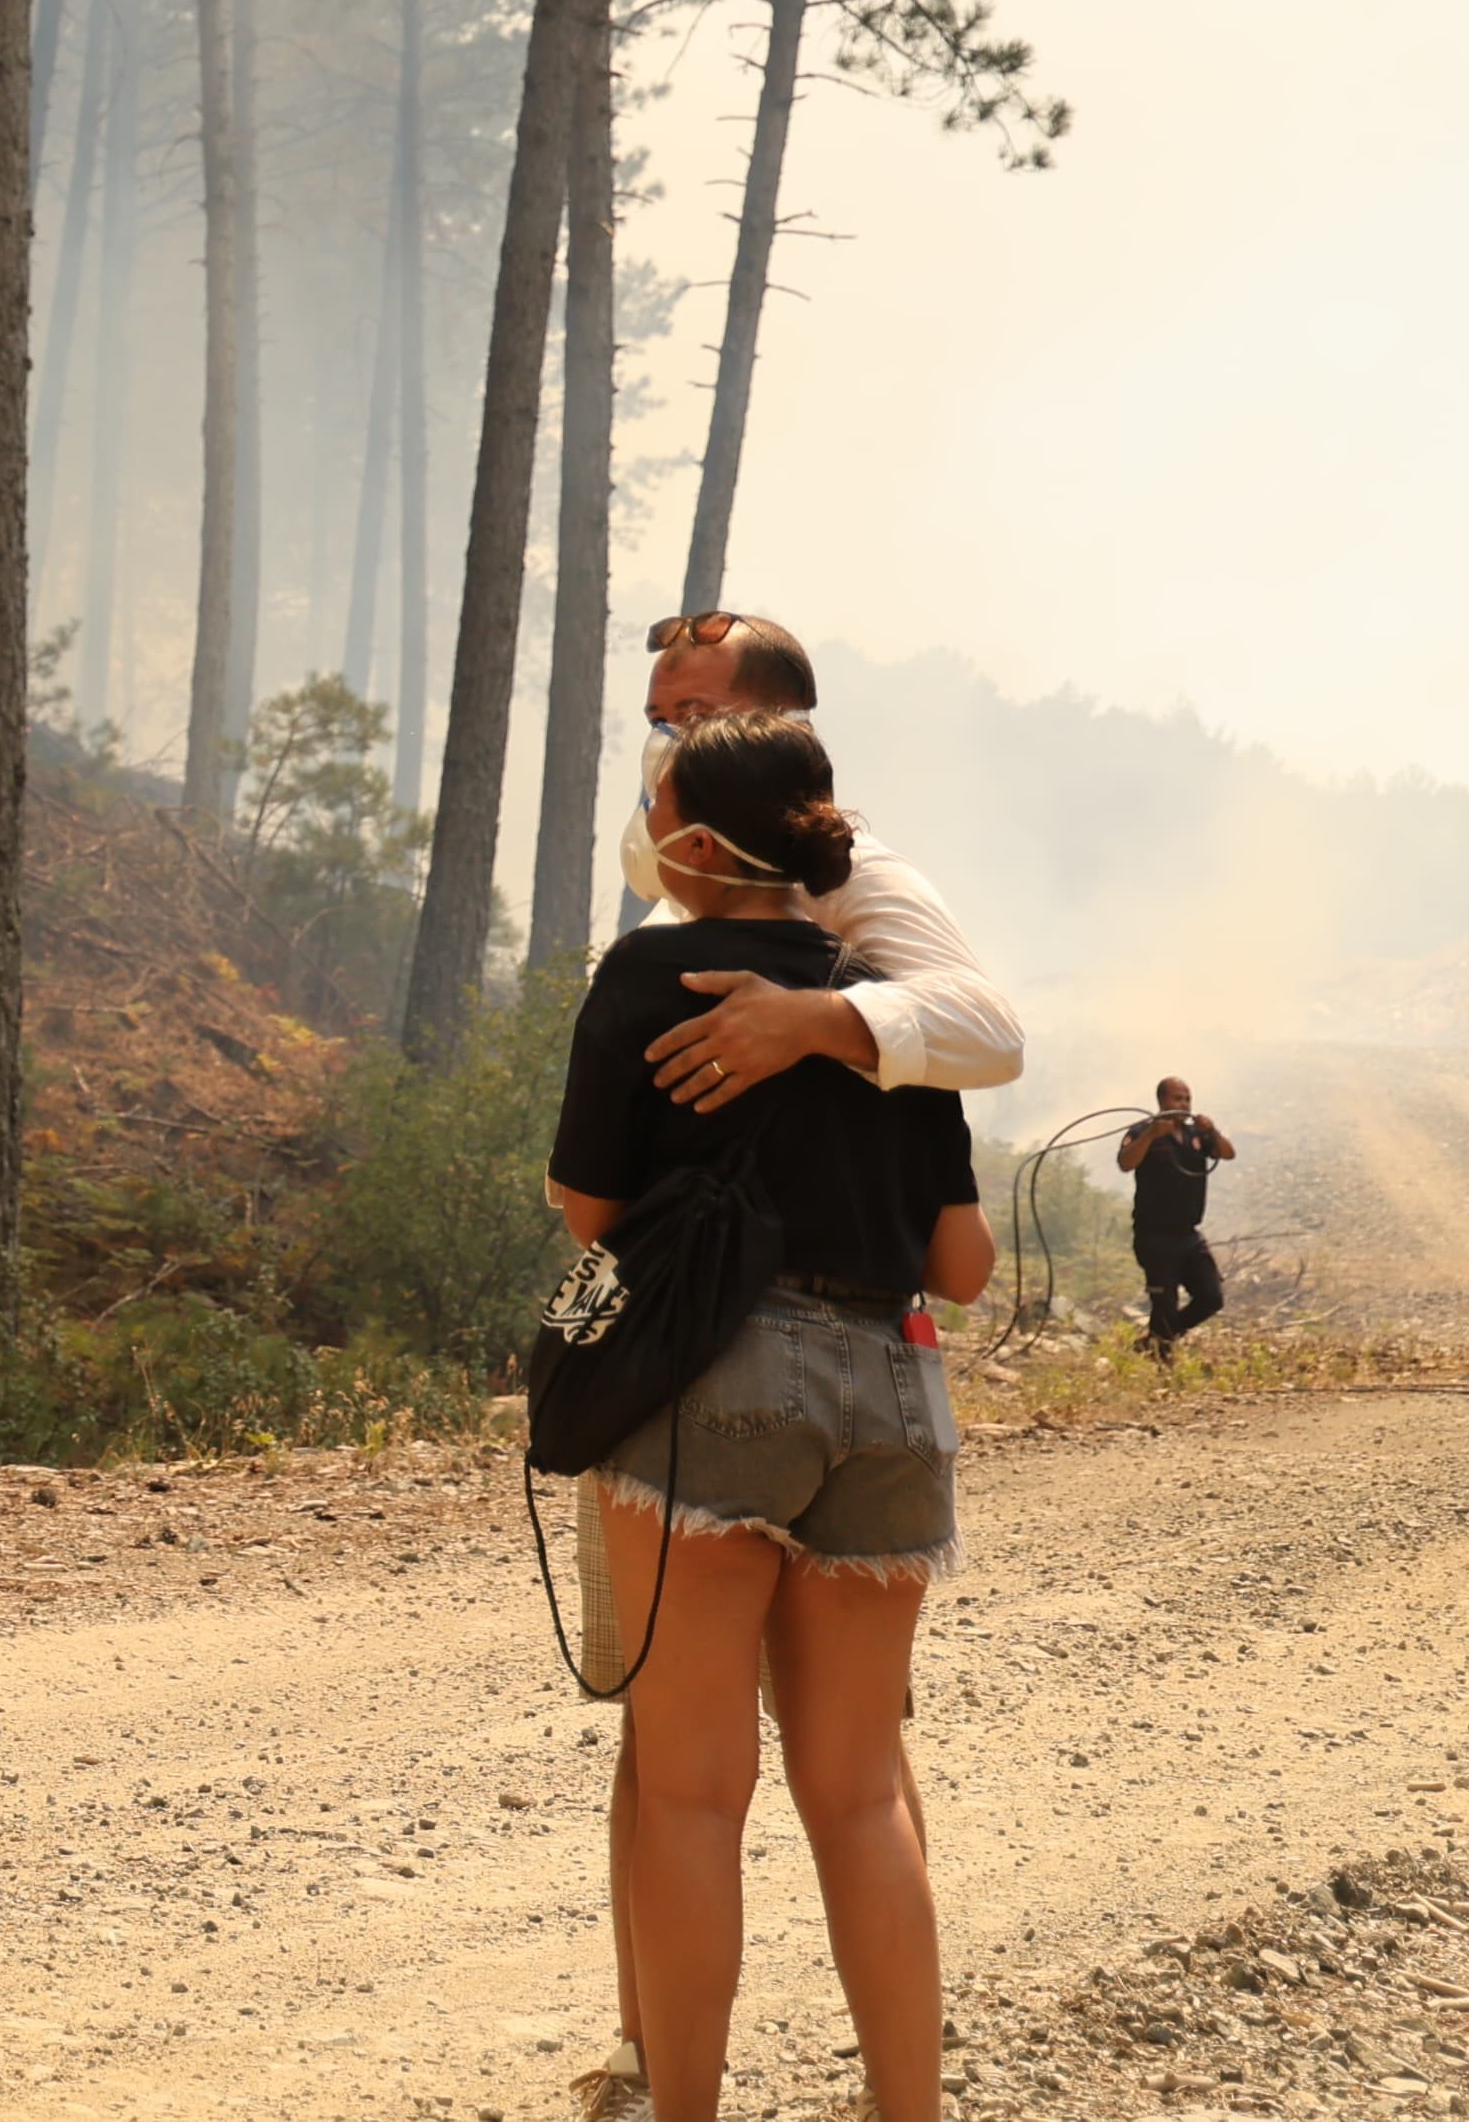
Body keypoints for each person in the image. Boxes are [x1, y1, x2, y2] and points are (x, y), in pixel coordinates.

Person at [550, 711, 995, 2122]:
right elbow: (960, 1265)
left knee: (690, 1791)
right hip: (887, 1396)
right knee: (858, 1797)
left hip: (710, 1385)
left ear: (687, 841)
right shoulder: (880, 1003)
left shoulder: (642, 973)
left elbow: (585, 1209)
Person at [620, 612, 1025, 1112]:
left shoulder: (853, 876)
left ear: (781, 729)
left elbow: (991, 1033)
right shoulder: (672, 912)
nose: (665, 742)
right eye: (657, 720)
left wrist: (808, 1020)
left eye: (696, 715)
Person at [1119, 1078, 1236, 1355]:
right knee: (1164, 1303)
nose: (1183, 1105)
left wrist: (1214, 1131)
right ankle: (1162, 1362)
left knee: (1211, 1297)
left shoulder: (1197, 1133)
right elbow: (1126, 1162)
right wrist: (1150, 1136)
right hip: (1154, 1236)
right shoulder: (1142, 1131)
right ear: (1162, 1102)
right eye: (1177, 1099)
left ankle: (1155, 1341)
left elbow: (1228, 1153)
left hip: (1188, 1235)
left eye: (1187, 1099)